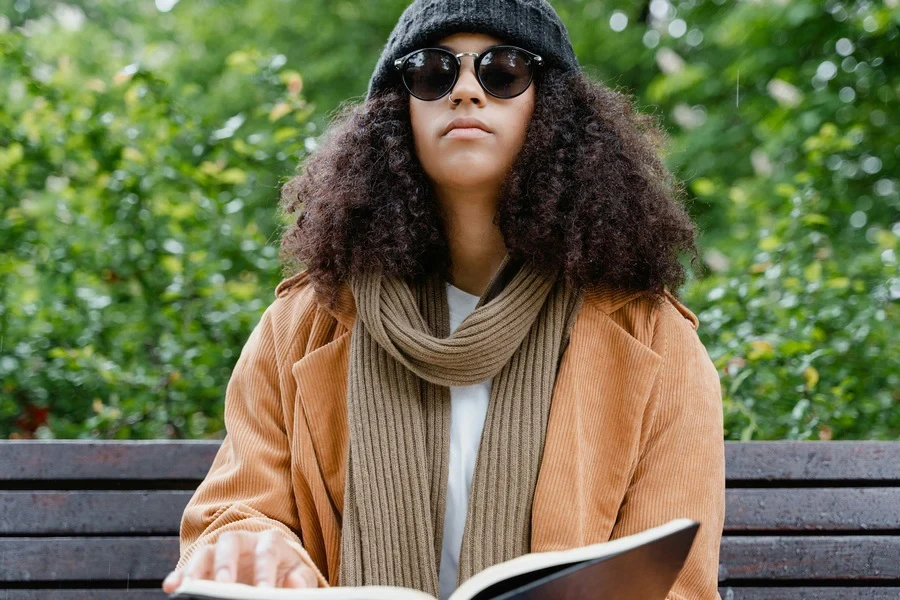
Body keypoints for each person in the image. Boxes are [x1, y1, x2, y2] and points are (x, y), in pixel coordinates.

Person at [162, 1, 726, 599]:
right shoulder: (300, 326)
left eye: (502, 71)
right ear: (397, 111)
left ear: (553, 112)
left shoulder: (654, 338)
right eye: (432, 72)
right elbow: (234, 513)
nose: (465, 92)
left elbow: (675, 584)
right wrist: (253, 543)